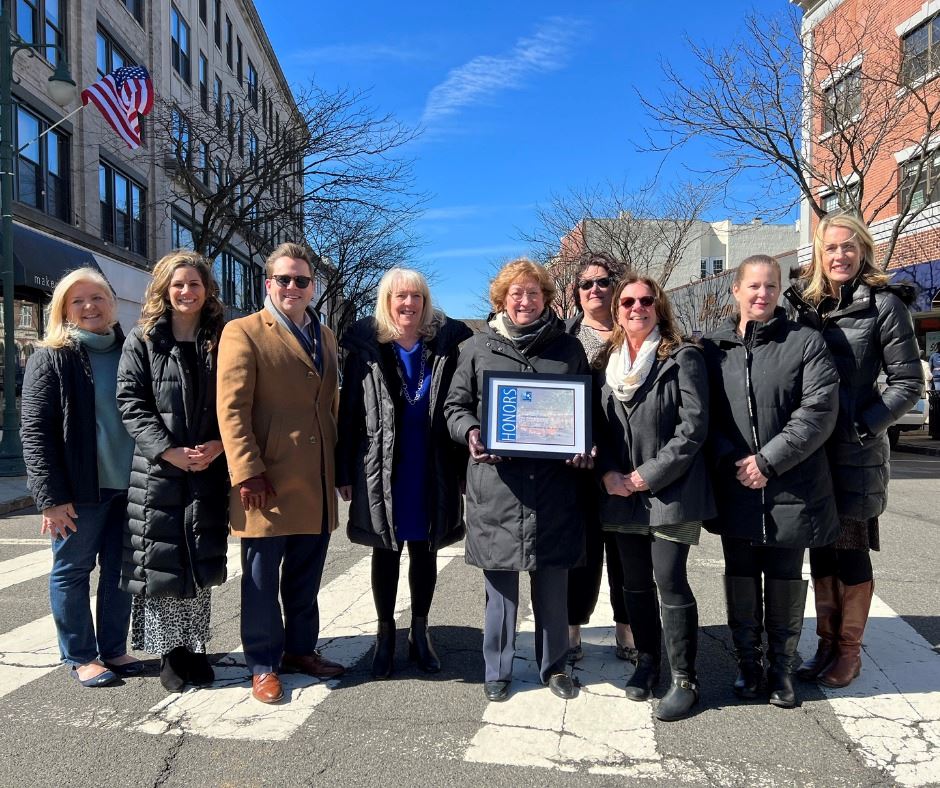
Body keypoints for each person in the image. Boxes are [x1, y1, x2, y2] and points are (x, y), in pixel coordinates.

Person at [444, 258, 593, 703]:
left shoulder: (568, 350)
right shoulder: (476, 349)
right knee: (500, 591)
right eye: (515, 294)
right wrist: (471, 431)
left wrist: (585, 444)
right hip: (498, 486)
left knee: (553, 585)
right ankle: (498, 668)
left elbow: (586, 413)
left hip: (553, 487)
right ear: (501, 300)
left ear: (546, 298)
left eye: (532, 293)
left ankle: (555, 666)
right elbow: (455, 407)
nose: (524, 301)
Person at [786, 215, 922, 690]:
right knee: (820, 548)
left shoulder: (884, 306)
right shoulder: (803, 305)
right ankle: (825, 642)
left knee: (850, 551)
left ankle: (849, 651)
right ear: (818, 256)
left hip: (855, 450)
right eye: (830, 248)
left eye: (849, 247)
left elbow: (907, 383)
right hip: (808, 451)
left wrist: (866, 424)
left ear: (863, 250)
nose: (840, 256)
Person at [704, 255, 840, 709]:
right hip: (735, 485)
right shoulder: (712, 348)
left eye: (771, 286)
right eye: (754, 286)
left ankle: (781, 670)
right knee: (741, 577)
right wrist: (736, 461)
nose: (762, 294)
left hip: (792, 487)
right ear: (736, 290)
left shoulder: (805, 342)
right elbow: (702, 416)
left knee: (784, 579)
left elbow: (818, 411)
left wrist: (768, 461)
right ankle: (749, 666)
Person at [217, 242, 345, 705]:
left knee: (305, 576)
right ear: (268, 283)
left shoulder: (326, 335)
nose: (293, 287)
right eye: (284, 279)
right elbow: (232, 409)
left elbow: (329, 406)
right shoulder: (244, 331)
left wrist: (339, 469)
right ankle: (264, 664)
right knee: (260, 580)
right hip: (265, 481)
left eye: (302, 280)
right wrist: (246, 470)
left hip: (315, 479)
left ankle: (300, 650)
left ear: (312, 287)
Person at [336, 268, 471, 678]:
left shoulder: (450, 344)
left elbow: (464, 403)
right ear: (387, 301)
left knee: (425, 547)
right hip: (382, 463)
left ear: (425, 301)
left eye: (415, 296)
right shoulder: (364, 346)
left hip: (431, 462)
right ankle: (384, 635)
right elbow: (348, 413)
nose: (408, 303)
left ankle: (420, 630)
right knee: (386, 548)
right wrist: (343, 469)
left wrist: (465, 466)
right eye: (400, 297)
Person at [594, 275, 713, 721]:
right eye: (627, 301)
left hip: (671, 489)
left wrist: (648, 475)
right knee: (634, 583)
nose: (636, 307)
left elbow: (693, 429)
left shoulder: (682, 357)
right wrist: (607, 473)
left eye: (646, 300)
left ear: (658, 307)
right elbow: (597, 427)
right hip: (620, 492)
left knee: (669, 578)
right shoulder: (605, 361)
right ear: (618, 310)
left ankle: (685, 679)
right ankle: (648, 660)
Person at [21, 268, 140, 687]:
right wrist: (50, 498)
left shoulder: (131, 351)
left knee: (119, 571)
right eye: (78, 300)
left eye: (97, 298)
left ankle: (113, 649)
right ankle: (81, 655)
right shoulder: (51, 357)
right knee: (72, 571)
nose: (89, 306)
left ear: (112, 302)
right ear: (64, 310)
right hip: (80, 489)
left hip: (133, 485)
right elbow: (35, 432)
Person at [116, 251, 229, 693]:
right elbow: (130, 401)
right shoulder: (143, 339)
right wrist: (167, 450)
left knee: (199, 555)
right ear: (164, 289)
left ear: (207, 291)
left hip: (207, 465)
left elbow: (237, 398)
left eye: (195, 284)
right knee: (161, 559)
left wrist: (220, 444)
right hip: (158, 469)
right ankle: (171, 653)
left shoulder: (221, 338)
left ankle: (196, 646)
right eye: (178, 284)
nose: (187, 292)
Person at [564, 254, 634, 664]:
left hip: (626, 459)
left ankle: (626, 629)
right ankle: (572, 629)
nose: (595, 290)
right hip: (578, 465)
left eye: (604, 282)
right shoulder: (564, 338)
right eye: (587, 284)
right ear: (576, 293)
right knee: (582, 552)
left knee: (626, 551)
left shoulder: (636, 332)